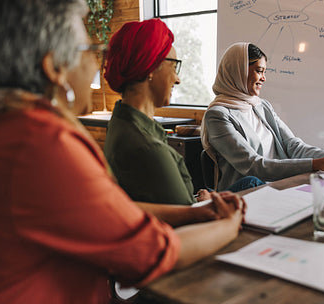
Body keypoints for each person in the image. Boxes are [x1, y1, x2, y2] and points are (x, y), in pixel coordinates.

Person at [0, 1, 244, 303]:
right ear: (54, 68)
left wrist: (196, 213)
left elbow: (108, 211)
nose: (96, 65)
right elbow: (152, 253)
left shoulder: (13, 127)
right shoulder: (43, 143)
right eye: (89, 50)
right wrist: (229, 227)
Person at [103, 20, 263, 206]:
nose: (177, 79)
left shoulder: (123, 124)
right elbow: (187, 213)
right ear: (150, 68)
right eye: (174, 66)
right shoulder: (147, 146)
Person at [201, 42, 324, 190]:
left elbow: (293, 146)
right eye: (259, 70)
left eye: (264, 72)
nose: (264, 78)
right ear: (239, 71)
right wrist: (318, 163)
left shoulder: (262, 106)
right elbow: (253, 166)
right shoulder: (217, 115)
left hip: (276, 186)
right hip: (245, 191)